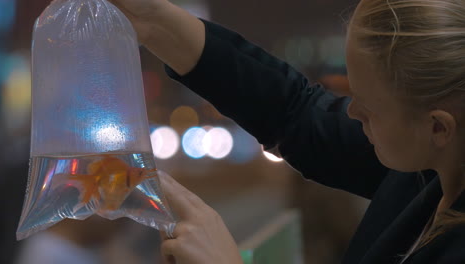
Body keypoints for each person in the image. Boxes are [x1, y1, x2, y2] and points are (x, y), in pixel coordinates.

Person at [109, 0, 465, 263]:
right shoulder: (435, 164)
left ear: (438, 126)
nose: (352, 112)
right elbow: (297, 111)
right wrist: (154, 21)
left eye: (369, 108)